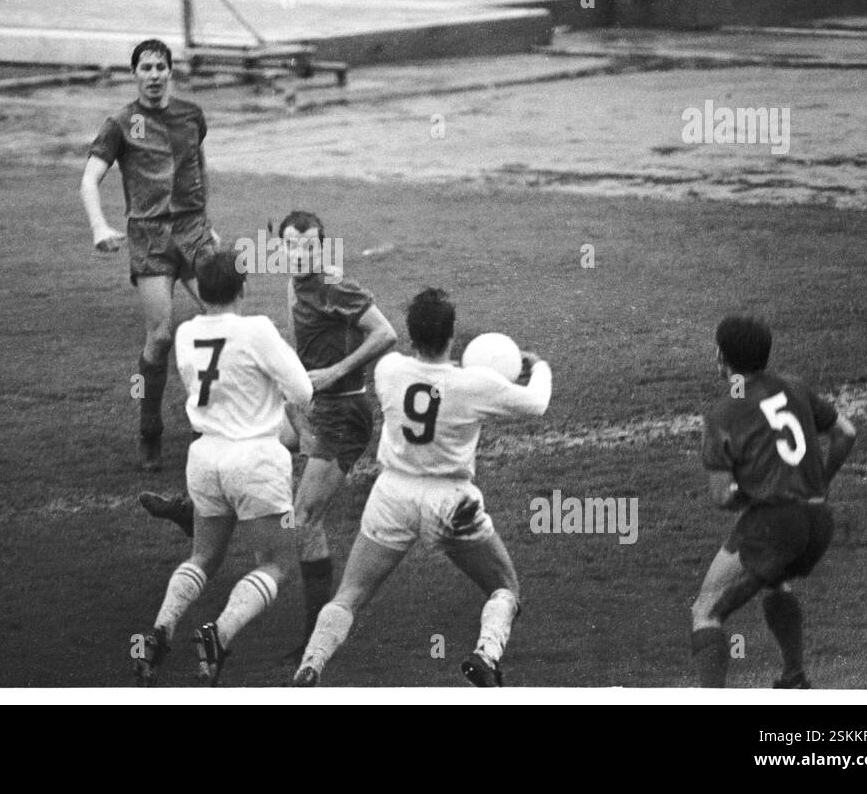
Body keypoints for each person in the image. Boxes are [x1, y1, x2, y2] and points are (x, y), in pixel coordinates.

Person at [141, 210, 398, 660]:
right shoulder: (294, 283)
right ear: (279, 248)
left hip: (342, 413)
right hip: (307, 406)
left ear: (323, 246)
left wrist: (334, 372)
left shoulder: (338, 287)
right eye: (291, 245)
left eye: (309, 245)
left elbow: (386, 333)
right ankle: (194, 511)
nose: (299, 253)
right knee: (241, 442)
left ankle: (313, 637)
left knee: (303, 519)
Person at [293, 288, 552, 687]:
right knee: (504, 587)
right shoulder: (474, 384)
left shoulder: (389, 371)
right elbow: (536, 403)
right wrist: (538, 366)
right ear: (452, 335)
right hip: (450, 501)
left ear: (411, 337)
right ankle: (486, 655)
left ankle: (310, 667)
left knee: (350, 594)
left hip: (391, 494)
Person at [132, 249, 312, 686]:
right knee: (276, 564)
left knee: (203, 557)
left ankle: (159, 631)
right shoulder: (257, 330)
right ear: (243, 287)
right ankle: (221, 633)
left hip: (205, 458)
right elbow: (303, 390)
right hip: (255, 459)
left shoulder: (186, 333)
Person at [689, 315, 856, 688]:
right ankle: (794, 678)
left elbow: (721, 497)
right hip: (818, 522)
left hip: (774, 525)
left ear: (721, 356)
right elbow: (845, 432)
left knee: (706, 610)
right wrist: (821, 483)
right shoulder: (794, 387)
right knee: (776, 581)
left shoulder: (722, 414)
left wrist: (747, 493)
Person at [79, 38, 218, 471]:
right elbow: (88, 181)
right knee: (159, 338)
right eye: (146, 67)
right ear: (134, 73)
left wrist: (206, 219)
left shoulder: (192, 115)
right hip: (151, 237)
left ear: (170, 72)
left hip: (193, 232)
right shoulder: (120, 123)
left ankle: (210, 418)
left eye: (161, 67)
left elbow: (199, 165)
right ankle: (149, 429)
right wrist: (99, 226)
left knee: (225, 323)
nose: (154, 74)